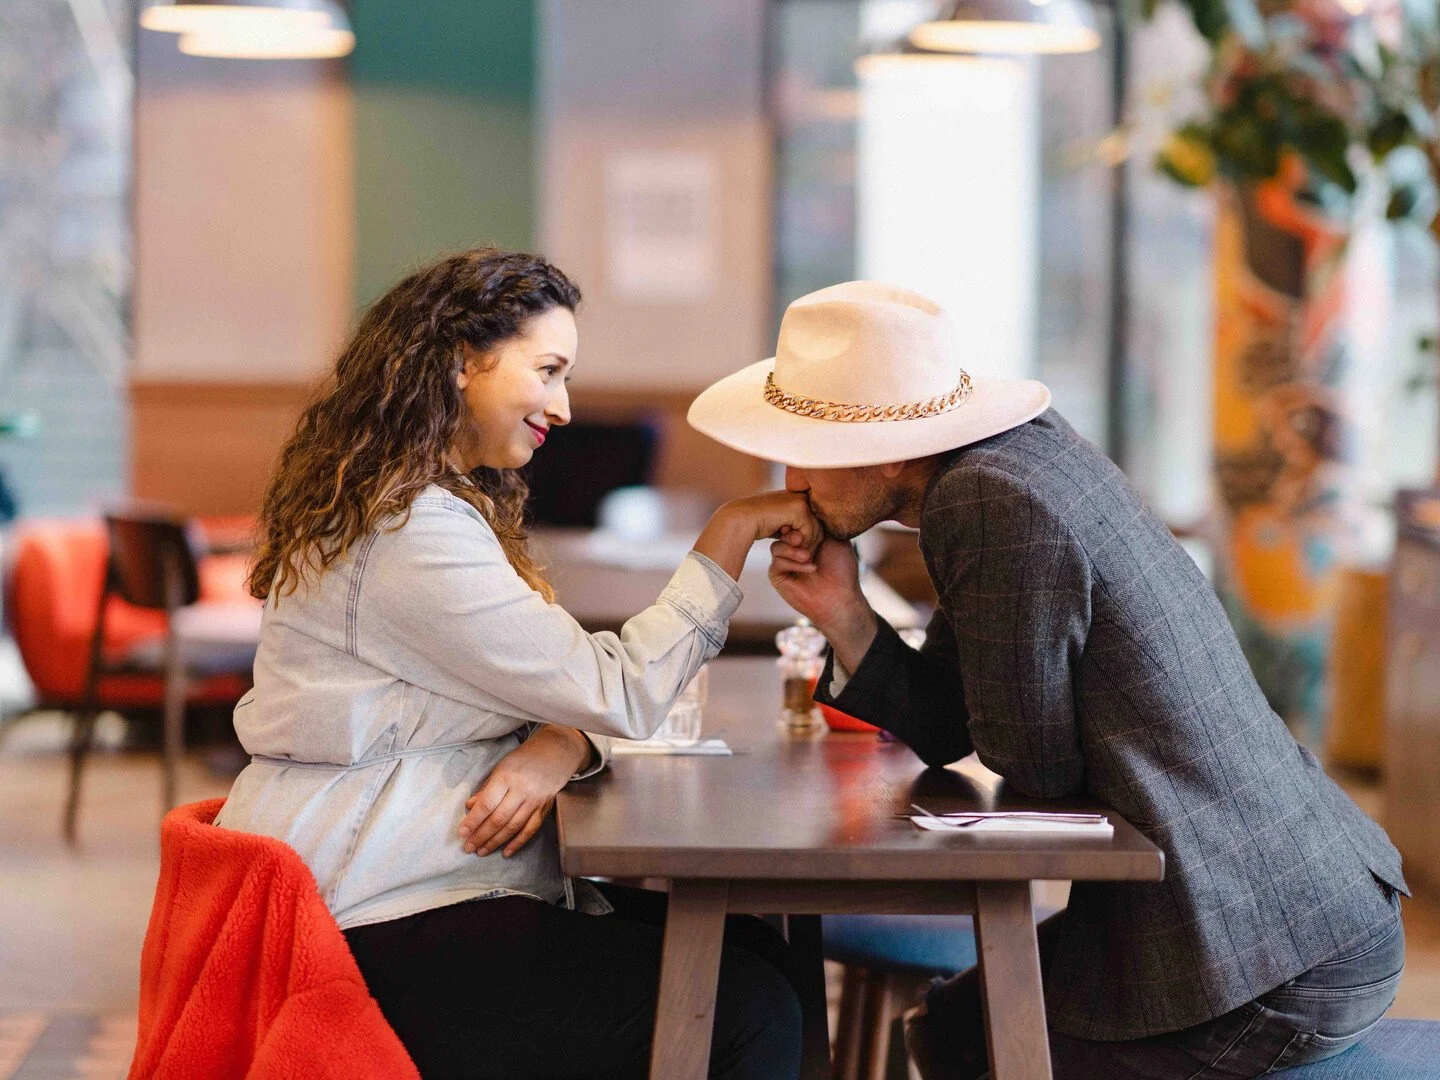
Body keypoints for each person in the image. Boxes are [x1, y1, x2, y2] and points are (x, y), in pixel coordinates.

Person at [687, 280, 1407, 1079]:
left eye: (806, 449)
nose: (791, 480)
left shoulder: (987, 501)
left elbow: (1034, 767)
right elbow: (953, 727)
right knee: (949, 1028)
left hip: (1273, 957)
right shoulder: (1008, 458)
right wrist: (845, 611)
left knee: (973, 1046)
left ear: (890, 445)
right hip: (1298, 906)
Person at [217, 248, 819, 1080]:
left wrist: (560, 744)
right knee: (747, 1007)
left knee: (761, 953)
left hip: (408, 882)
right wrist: (730, 532)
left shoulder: (410, 502)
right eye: (549, 371)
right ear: (464, 360)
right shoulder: (410, 529)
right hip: (373, 919)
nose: (564, 407)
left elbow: (561, 691)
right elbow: (613, 688)